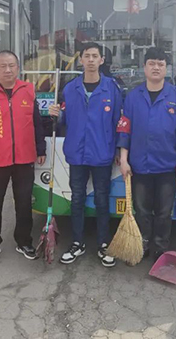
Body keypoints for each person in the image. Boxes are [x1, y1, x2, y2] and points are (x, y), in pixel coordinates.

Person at [48, 42, 123, 267]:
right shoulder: (70, 88)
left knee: (102, 199)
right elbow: (65, 119)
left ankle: (103, 243)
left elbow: (119, 122)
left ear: (101, 60)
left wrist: (118, 149)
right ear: (81, 60)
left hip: (102, 152)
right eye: (87, 56)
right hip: (77, 153)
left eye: (95, 56)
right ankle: (77, 242)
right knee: (77, 198)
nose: (91, 60)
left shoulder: (112, 88)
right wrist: (56, 115)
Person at [0, 51, 47, 265]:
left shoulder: (28, 90)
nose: (8, 70)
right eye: (3, 66)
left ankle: (24, 241)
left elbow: (37, 123)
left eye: (12, 65)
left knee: (24, 203)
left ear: (18, 68)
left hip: (24, 158)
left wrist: (40, 149)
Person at [117, 48, 176, 262]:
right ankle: (143, 243)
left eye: (160, 64)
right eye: (152, 63)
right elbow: (125, 129)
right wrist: (124, 159)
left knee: (164, 212)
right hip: (139, 164)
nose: (156, 67)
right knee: (141, 210)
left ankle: (160, 247)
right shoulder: (133, 97)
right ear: (144, 67)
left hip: (167, 165)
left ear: (166, 68)